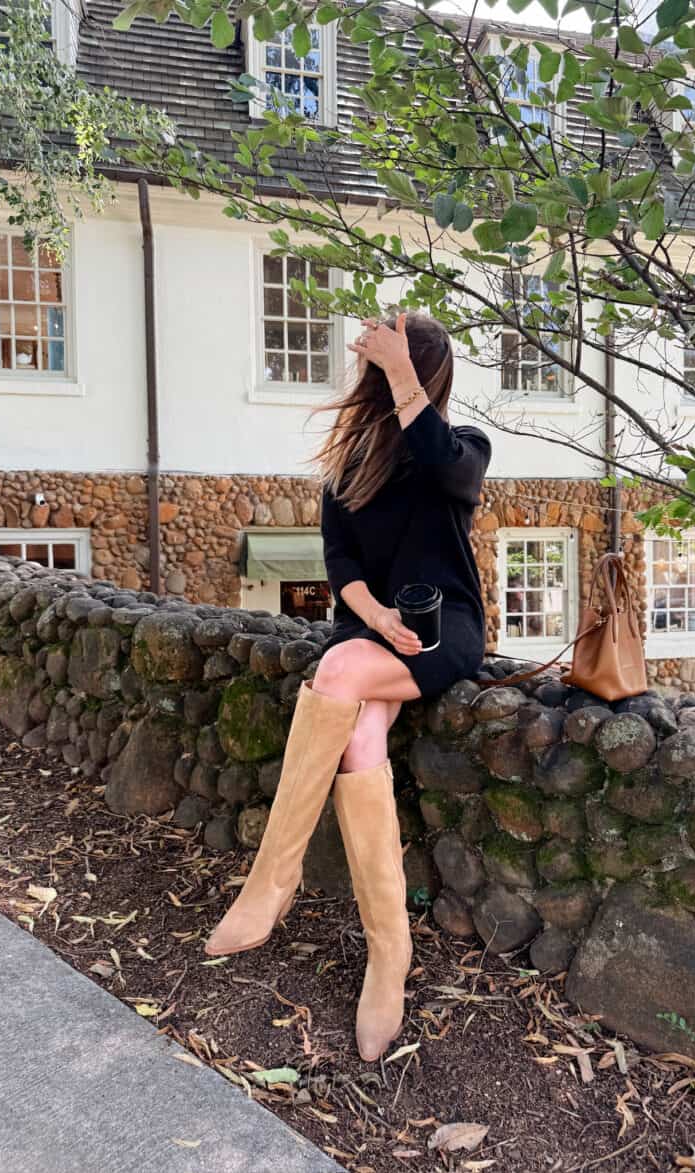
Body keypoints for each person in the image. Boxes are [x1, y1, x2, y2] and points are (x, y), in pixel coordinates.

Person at [203, 310, 492, 1062]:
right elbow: (342, 567)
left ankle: (273, 880)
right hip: (373, 626)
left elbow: (440, 461)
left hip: (444, 629)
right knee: (359, 733)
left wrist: (403, 371)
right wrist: (376, 615)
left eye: (396, 367)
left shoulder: (461, 450)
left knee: (335, 671)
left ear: (415, 376)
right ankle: (388, 955)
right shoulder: (349, 462)